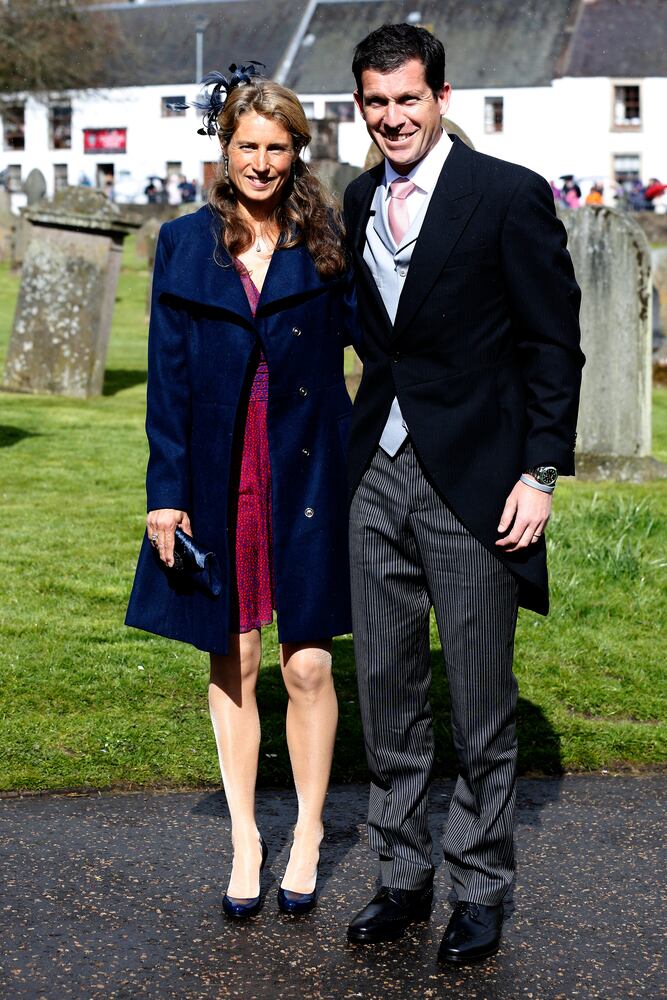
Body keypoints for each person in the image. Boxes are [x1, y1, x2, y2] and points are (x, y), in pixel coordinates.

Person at [343, 24, 584, 964]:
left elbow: (551, 346)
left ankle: (479, 888)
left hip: (477, 481)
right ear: (360, 106)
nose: (393, 116)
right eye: (376, 102)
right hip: (375, 475)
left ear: (441, 97)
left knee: (480, 704)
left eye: (407, 98)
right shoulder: (359, 196)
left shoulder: (507, 194)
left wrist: (539, 473)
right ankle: (401, 876)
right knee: (386, 693)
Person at [126, 66, 355, 920]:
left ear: (297, 152)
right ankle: (246, 840)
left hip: (309, 462)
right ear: (225, 150)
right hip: (220, 468)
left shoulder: (324, 238)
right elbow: (167, 378)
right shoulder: (186, 243)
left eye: (277, 147)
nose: (261, 162)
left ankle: (308, 832)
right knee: (238, 656)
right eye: (247, 146)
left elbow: (378, 345)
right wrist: (166, 491)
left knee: (309, 663)